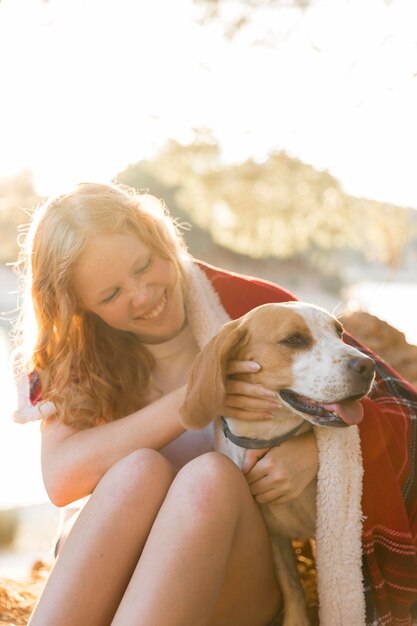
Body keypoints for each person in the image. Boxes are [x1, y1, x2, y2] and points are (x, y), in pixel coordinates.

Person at [12, 182, 417, 626]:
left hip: (229, 565)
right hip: (108, 566)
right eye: (111, 295)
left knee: (208, 477)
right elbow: (62, 480)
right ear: (79, 307)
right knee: (138, 471)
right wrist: (199, 393)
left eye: (145, 265)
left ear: (159, 240)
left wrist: (319, 450)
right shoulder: (70, 350)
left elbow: (398, 410)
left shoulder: (251, 308)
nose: (144, 296)